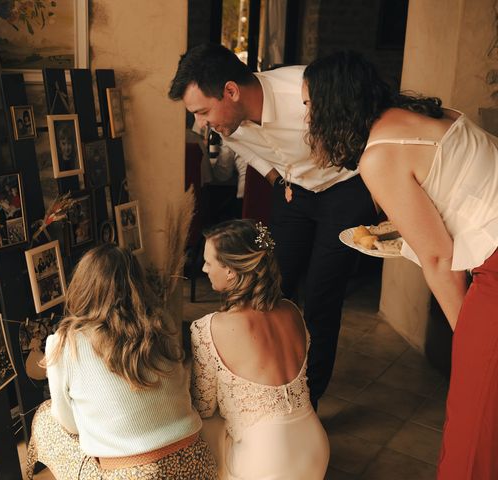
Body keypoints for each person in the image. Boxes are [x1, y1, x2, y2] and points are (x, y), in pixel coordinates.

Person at [303, 50, 498, 480]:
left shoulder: (379, 155)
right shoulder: (425, 114)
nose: (306, 117)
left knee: (475, 416)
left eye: (308, 105)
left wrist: (464, 336)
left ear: (332, 105)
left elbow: (438, 256)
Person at [169, 43, 377, 408]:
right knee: (270, 283)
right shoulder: (227, 118)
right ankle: (265, 379)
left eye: (202, 112)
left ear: (231, 91)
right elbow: (245, 149)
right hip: (294, 192)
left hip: (346, 189)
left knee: (320, 297)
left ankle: (306, 401)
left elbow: (371, 128)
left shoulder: (305, 91)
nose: (200, 125)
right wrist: (278, 180)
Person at [45, 244, 217, 478]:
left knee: (46, 419)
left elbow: (69, 424)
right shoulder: (161, 323)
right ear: (137, 284)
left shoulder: (64, 343)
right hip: (195, 459)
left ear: (81, 287)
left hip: (132, 472)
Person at [191, 220, 329, 479]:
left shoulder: (208, 328)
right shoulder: (292, 310)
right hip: (314, 445)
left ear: (231, 271)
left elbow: (203, 407)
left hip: (268, 460)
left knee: (204, 428)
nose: (204, 268)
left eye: (209, 262)